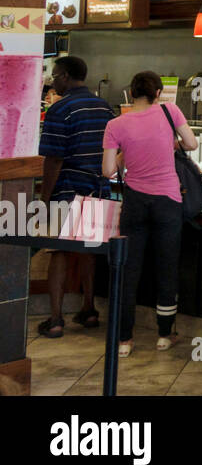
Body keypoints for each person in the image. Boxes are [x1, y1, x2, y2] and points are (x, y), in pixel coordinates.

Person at [100, 71, 198, 357]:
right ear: (158, 94)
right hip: (168, 201)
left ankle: (124, 340)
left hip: (135, 203)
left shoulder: (115, 124)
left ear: (131, 94)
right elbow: (191, 144)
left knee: (129, 270)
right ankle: (165, 335)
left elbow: (107, 171)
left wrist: (124, 154)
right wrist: (171, 144)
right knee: (166, 267)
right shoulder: (171, 110)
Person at [37, 56, 115, 338]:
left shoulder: (61, 109)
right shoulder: (104, 107)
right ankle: (89, 309)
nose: (53, 80)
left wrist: (44, 198)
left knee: (57, 250)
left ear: (67, 76)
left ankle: (56, 318)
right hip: (98, 189)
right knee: (87, 250)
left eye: (55, 75)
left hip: (68, 188)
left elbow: (54, 159)